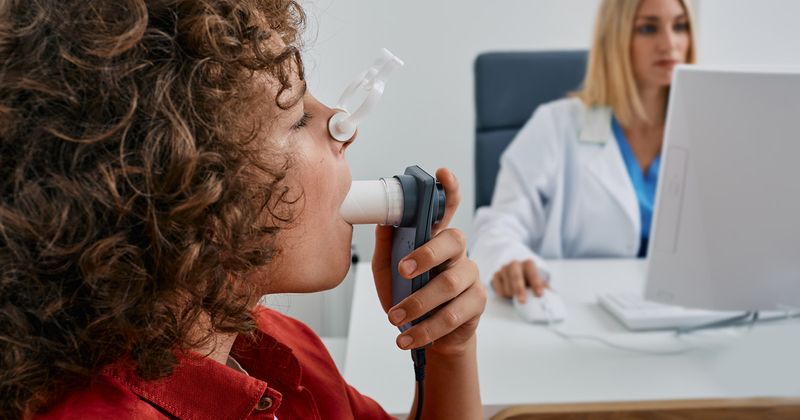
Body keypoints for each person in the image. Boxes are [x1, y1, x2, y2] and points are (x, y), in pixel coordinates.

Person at [0, 1, 485, 418]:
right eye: (298, 118)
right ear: (191, 195)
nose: (344, 125)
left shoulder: (280, 347)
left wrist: (446, 351)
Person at [470, 0, 696, 303]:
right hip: (579, 307)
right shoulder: (556, 124)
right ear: (614, 39)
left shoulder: (704, 127)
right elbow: (498, 226)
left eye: (679, 26)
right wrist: (510, 260)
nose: (670, 43)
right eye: (647, 28)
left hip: (685, 309)